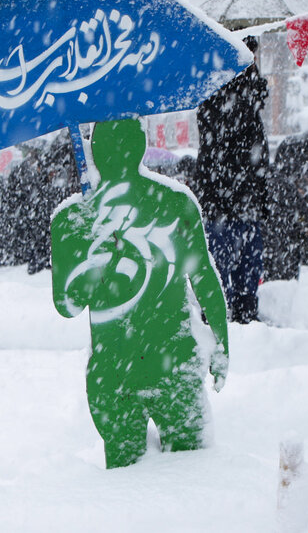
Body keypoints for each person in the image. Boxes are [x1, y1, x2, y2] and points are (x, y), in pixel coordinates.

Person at [50, 119, 229, 469]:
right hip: (159, 366)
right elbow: (205, 279)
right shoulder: (173, 204)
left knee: (132, 481)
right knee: (190, 476)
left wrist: (89, 263)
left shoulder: (75, 218)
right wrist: (221, 343)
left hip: (125, 370)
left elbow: (67, 305)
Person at [195, 35, 269, 323]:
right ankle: (227, 314)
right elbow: (228, 134)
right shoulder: (225, 87)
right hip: (227, 195)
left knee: (237, 261)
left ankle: (233, 311)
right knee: (227, 260)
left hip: (234, 195)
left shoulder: (234, 86)